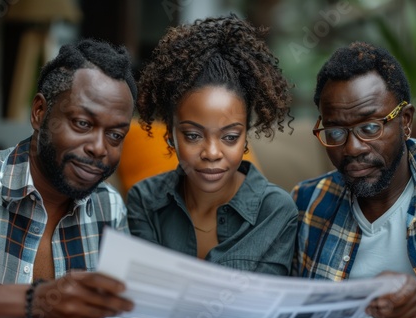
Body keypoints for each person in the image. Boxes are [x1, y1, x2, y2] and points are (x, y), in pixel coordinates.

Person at [0, 39, 136, 318]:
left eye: (115, 136)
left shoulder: (108, 207)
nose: (99, 148)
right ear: (39, 112)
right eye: (83, 124)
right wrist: (36, 301)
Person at [291, 41, 416, 318]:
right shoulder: (307, 204)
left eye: (370, 127)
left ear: (405, 121)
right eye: (336, 131)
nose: (352, 148)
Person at [127, 14, 298, 275]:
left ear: (245, 139)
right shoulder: (145, 201)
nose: (212, 153)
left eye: (230, 137)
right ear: (171, 135)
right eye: (193, 135)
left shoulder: (275, 211)